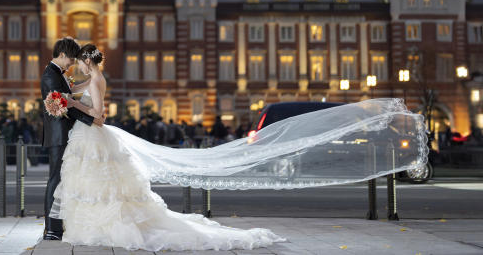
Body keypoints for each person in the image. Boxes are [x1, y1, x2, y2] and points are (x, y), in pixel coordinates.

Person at [51, 42, 428, 252]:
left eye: (80, 63)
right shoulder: (91, 78)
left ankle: (90, 227)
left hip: (94, 132)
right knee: (99, 188)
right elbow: (77, 93)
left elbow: (98, 115)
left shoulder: (95, 80)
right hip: (89, 136)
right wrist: (66, 97)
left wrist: (71, 103)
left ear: (87, 60)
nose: (78, 69)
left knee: (101, 188)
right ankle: (84, 225)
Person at [41, 37, 105, 241]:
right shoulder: (51, 75)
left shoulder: (57, 75)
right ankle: (52, 229)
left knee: (63, 179)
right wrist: (94, 119)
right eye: (70, 60)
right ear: (61, 55)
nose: (72, 64)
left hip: (66, 134)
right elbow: (66, 105)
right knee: (56, 180)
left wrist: (89, 87)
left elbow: (70, 100)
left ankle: (58, 226)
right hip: (59, 134)